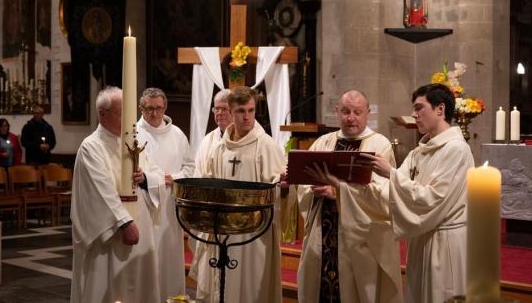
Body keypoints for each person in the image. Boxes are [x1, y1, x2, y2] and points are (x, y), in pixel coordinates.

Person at [359, 83, 474, 303]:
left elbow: (433, 198)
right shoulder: (419, 151)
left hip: (445, 243)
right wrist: (361, 185)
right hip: (422, 241)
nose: (413, 114)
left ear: (440, 109)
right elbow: (394, 191)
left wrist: (390, 173)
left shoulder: (457, 150)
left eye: (419, 108)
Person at [295, 90, 403, 303]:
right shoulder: (324, 142)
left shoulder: (379, 144)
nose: (351, 118)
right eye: (345, 111)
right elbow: (304, 183)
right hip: (322, 230)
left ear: (367, 113)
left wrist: (338, 192)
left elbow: (384, 193)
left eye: (357, 112)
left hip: (359, 240)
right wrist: (308, 187)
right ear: (337, 112)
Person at [70, 86, 164, 303]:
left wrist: (146, 177)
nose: (129, 119)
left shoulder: (133, 141)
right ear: (102, 114)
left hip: (142, 227)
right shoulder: (91, 147)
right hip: (111, 236)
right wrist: (125, 222)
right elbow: (101, 191)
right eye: (122, 112)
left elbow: (156, 172)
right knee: (109, 289)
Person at [194, 86, 285, 303]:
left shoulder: (266, 146)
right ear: (231, 113)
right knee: (223, 283)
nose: (247, 117)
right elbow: (208, 182)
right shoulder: (219, 148)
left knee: (250, 285)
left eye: (251, 111)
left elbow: (277, 187)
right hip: (223, 228)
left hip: (254, 233)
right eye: (241, 111)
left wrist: (283, 186)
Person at [136, 87, 194, 300]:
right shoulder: (133, 133)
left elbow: (190, 167)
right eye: (149, 108)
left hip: (170, 205)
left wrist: (175, 177)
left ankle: (172, 297)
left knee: (169, 255)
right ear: (141, 108)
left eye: (158, 108)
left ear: (165, 108)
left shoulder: (177, 134)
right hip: (144, 203)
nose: (154, 113)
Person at [189, 88, 232, 299]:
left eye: (224, 108)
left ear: (233, 111)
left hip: (231, 216)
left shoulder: (241, 139)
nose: (219, 113)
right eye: (216, 108)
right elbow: (198, 174)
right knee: (209, 271)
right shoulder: (207, 140)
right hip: (209, 213)